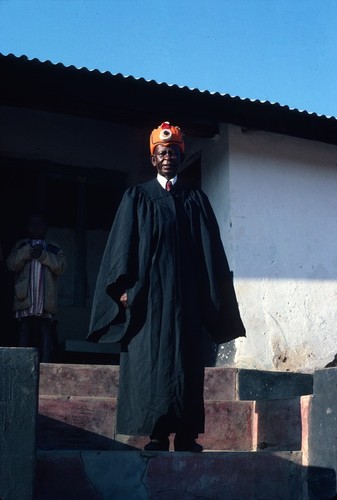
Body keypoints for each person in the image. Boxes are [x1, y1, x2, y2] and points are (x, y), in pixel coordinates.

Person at [88, 122, 245, 452]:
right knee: (151, 363)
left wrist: (212, 293)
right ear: (153, 159)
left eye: (173, 152)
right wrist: (123, 290)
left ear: (181, 156)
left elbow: (210, 250)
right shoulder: (137, 197)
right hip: (149, 301)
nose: (168, 157)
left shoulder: (195, 199)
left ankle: (187, 435)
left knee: (188, 364)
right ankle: (156, 434)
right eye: (162, 153)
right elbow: (121, 246)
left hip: (186, 298)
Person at [7, 213, 66, 362]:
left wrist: (43, 255)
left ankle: (45, 361)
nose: (36, 228)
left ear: (46, 227)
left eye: (40, 224)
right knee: (25, 327)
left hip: (44, 298)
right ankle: (21, 360)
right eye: (32, 224)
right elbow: (11, 264)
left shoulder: (52, 247)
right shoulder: (22, 245)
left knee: (44, 326)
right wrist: (26, 252)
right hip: (25, 296)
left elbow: (61, 267)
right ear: (28, 227)